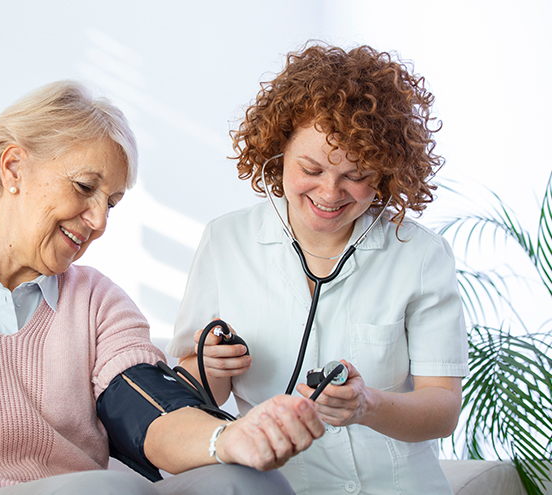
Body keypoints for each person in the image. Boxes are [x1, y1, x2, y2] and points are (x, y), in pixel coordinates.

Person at [0, 80, 325, 495]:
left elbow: (145, 410)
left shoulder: (98, 302)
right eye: (84, 187)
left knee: (245, 480)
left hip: (83, 487)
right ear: (14, 167)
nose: (99, 220)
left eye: (113, 202)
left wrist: (228, 437)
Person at [166, 43, 469, 494]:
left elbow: (442, 409)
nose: (330, 193)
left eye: (357, 175)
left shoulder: (419, 255)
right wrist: (213, 365)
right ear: (278, 150)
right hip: (276, 486)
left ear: (386, 173)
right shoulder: (225, 241)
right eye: (310, 168)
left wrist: (368, 405)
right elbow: (194, 389)